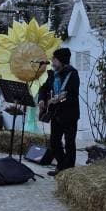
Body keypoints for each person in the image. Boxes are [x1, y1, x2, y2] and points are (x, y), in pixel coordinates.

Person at [38, 47, 80, 176]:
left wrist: (59, 100)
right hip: (55, 114)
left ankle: (69, 172)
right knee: (54, 142)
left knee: (69, 143)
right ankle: (61, 166)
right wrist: (41, 100)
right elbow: (44, 88)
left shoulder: (72, 74)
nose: (52, 62)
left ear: (61, 60)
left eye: (54, 59)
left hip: (69, 114)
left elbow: (72, 95)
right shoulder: (52, 74)